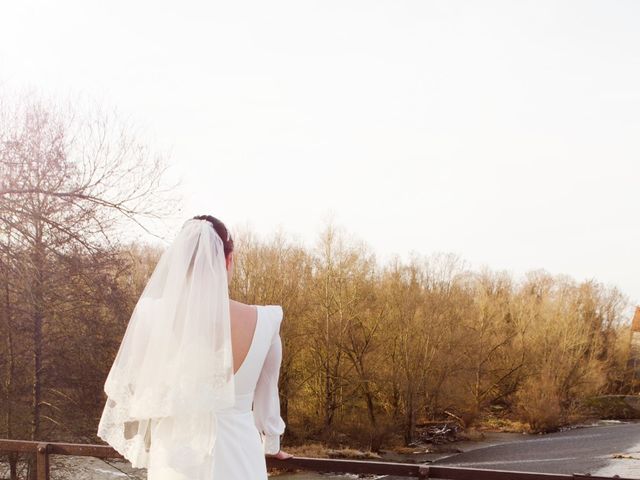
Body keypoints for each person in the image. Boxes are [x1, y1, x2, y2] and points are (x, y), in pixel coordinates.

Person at [97, 215, 292, 480]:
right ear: (228, 260)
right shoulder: (266, 321)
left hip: (176, 458)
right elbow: (268, 396)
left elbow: (137, 389)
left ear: (179, 263)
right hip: (239, 456)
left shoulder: (151, 315)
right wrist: (273, 444)